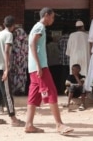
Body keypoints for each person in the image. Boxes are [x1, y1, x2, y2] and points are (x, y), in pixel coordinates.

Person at [25, 7, 74, 135]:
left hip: (33, 67)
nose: (53, 20)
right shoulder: (40, 27)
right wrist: (39, 65)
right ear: (46, 15)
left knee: (34, 94)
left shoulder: (36, 27)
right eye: (52, 17)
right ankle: (59, 124)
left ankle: (29, 124)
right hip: (39, 66)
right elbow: (32, 44)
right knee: (51, 91)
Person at [0, 15, 25, 126]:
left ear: (4, 24)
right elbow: (6, 51)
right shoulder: (8, 35)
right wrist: (7, 69)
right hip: (1, 67)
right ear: (13, 25)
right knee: (7, 93)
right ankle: (13, 119)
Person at [9, 25, 28, 96]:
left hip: (16, 58)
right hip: (23, 59)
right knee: (22, 74)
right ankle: (21, 89)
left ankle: (15, 89)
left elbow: (14, 47)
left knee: (15, 74)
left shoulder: (17, 35)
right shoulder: (25, 37)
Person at [57, 28, 70, 94]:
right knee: (69, 75)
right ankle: (69, 90)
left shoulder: (61, 38)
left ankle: (62, 89)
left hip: (62, 60)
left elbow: (59, 47)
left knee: (63, 75)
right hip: (70, 60)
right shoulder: (70, 38)